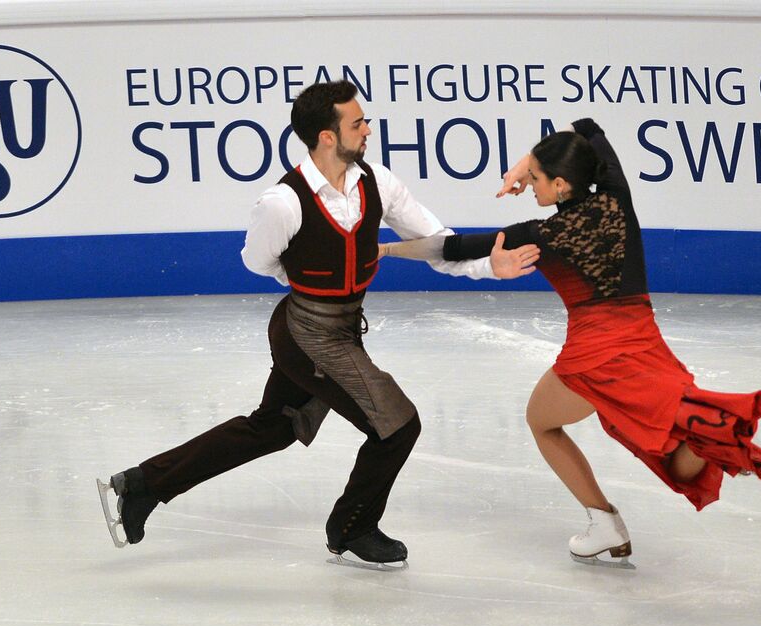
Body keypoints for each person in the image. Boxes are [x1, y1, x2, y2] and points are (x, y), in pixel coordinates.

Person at [96, 80, 540, 569]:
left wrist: (486, 266)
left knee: (272, 427)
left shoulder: (378, 182)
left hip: (340, 330)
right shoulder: (283, 202)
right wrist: (312, 274)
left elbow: (435, 241)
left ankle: (143, 484)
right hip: (306, 334)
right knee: (396, 425)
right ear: (327, 137)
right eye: (357, 122)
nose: (368, 129)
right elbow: (258, 261)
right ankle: (352, 527)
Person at [380, 119, 761, 568]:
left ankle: (604, 521)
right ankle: (704, 435)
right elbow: (589, 127)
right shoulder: (616, 198)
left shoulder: (541, 235)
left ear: (561, 184)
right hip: (645, 340)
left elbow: (450, 248)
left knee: (541, 421)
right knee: (666, 438)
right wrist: (526, 163)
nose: (530, 185)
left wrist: (384, 251)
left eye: (537, 179)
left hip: (594, 353)